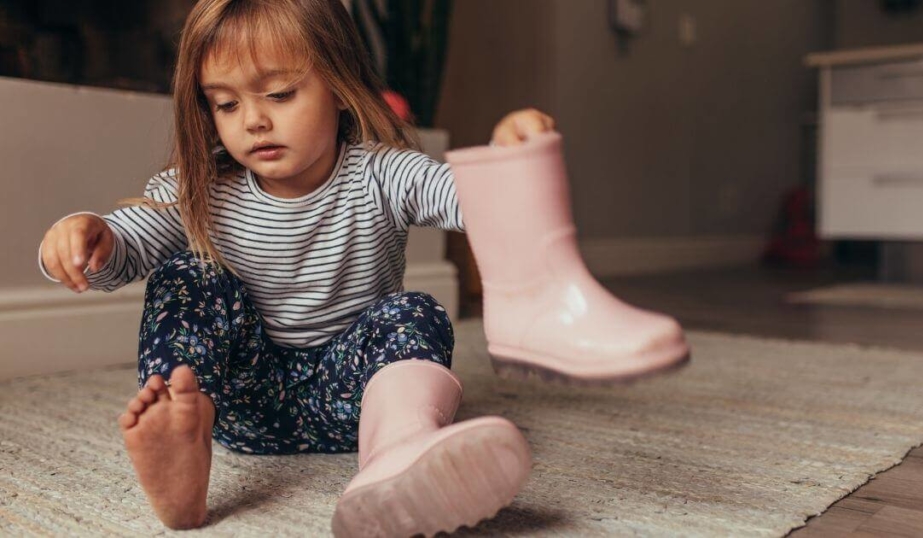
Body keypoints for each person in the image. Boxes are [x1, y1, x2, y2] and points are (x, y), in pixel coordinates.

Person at [37, 0, 551, 534]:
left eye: (280, 94)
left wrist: (510, 158)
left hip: (360, 399)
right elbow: (125, 250)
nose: (253, 120)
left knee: (414, 311)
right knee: (187, 276)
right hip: (242, 402)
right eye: (227, 104)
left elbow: (474, 201)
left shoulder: (382, 173)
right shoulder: (199, 188)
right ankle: (184, 436)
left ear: (340, 84)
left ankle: (399, 448)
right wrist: (87, 238)